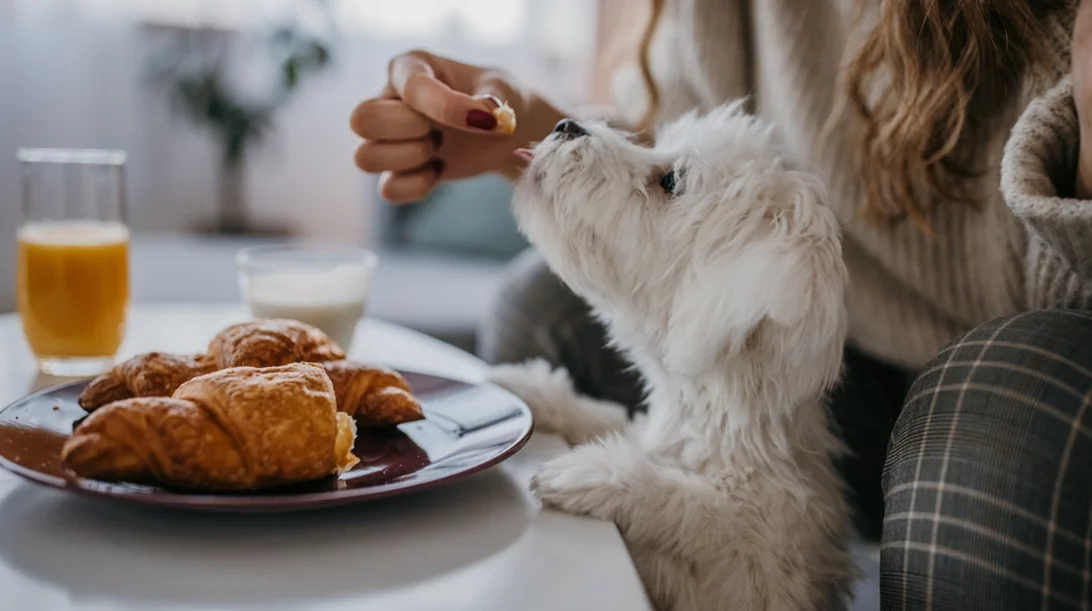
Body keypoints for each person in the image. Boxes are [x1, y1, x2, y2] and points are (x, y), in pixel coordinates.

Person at [350, 1, 1092, 608]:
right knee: (537, 305)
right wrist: (524, 128)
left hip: (995, 359)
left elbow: (692, 191)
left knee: (997, 401)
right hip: (796, 350)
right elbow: (677, 169)